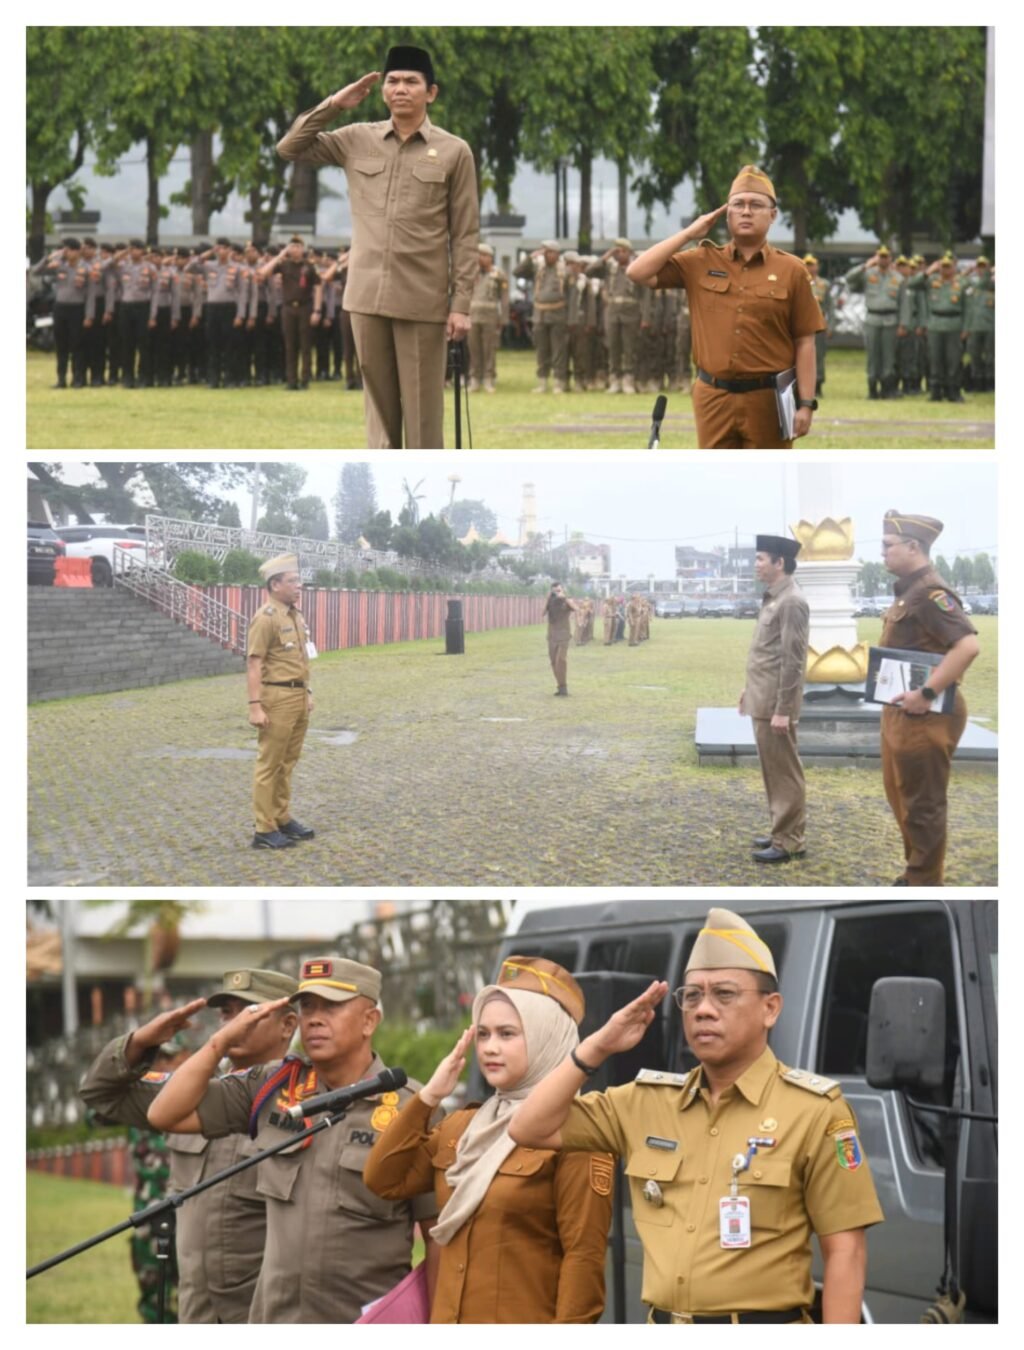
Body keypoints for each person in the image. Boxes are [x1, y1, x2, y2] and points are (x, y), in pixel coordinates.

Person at [509, 906, 884, 1325]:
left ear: (770, 1009)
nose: (703, 1009)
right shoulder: (645, 1103)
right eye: (692, 996)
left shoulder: (814, 1111)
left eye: (724, 994)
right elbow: (528, 1127)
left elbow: (846, 1252)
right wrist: (597, 1046)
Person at [146, 957, 438, 1323]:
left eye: (331, 1006)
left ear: (369, 1021)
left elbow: (438, 1237)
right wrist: (221, 1041)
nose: (314, 1018)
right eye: (308, 1006)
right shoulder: (272, 1087)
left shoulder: (413, 1109)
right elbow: (164, 1114)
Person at [363, 956, 613, 1323]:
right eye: (483, 1033)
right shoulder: (463, 1127)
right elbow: (383, 1178)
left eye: (507, 1033)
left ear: (547, 1037)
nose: (489, 1047)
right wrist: (428, 1097)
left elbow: (584, 1261)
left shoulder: (577, 1131)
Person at [277, 45, 479, 448]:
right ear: (383, 89)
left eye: (411, 81)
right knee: (380, 425)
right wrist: (335, 104)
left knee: (423, 421)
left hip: (422, 299)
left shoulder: (454, 151)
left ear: (431, 92)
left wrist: (460, 305)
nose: (400, 89)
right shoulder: (356, 139)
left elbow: (465, 233)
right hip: (366, 297)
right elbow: (290, 147)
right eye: (393, 81)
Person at [80, 968, 299, 1323]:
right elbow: (98, 1094)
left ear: (288, 1025)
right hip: (196, 1309)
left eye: (250, 1011)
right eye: (227, 1012)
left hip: (263, 1311)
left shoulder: (307, 1098)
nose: (234, 1022)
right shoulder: (186, 1092)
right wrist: (140, 1044)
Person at [626, 167, 823, 447]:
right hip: (713, 397)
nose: (746, 211)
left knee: (765, 481)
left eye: (756, 205)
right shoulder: (701, 260)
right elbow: (637, 272)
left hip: (767, 399)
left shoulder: (791, 270)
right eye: (738, 204)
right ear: (726, 213)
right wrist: (689, 233)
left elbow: (804, 340)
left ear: (773, 215)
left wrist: (805, 403)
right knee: (716, 481)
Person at [879, 510, 979, 885]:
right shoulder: (908, 592)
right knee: (902, 798)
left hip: (926, 715)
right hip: (901, 711)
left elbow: (967, 646)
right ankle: (915, 869)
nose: (883, 553)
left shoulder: (930, 593)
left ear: (913, 547)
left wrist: (927, 692)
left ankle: (925, 880)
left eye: (889, 546)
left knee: (923, 805)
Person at [739, 534, 809, 864]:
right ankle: (780, 830)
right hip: (763, 696)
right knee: (773, 769)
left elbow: (792, 660)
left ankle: (790, 840)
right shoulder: (773, 599)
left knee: (784, 771)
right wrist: (748, 690)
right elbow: (766, 654)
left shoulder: (791, 601)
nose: (756, 564)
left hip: (775, 704)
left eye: (761, 559)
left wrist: (783, 708)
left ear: (779, 563)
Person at [246, 553, 314, 850]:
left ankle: (282, 818)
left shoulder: (294, 615)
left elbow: (300, 658)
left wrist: (306, 692)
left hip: (298, 696)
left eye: (298, 580)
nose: (299, 586)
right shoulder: (266, 618)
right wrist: (255, 706)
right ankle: (264, 828)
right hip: (276, 697)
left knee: (287, 763)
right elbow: (254, 663)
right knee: (269, 764)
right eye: (293, 581)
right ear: (275, 584)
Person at [844, 247, 908, 400]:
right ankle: (872, 388)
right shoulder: (868, 274)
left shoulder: (898, 278)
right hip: (873, 319)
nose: (884, 259)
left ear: (891, 258)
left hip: (891, 320)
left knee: (889, 356)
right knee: (873, 355)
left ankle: (887, 389)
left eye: (886, 256)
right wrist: (866, 265)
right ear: (876, 257)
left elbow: (904, 303)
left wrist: (903, 324)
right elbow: (849, 279)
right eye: (881, 256)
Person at [258, 237, 322, 391]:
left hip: (305, 307)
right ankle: (291, 380)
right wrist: (280, 255)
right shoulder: (283, 265)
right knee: (289, 345)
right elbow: (263, 273)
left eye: (298, 246)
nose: (295, 249)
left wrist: (317, 310)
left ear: (303, 248)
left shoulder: (309, 266)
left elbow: (318, 287)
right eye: (292, 246)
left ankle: (305, 379)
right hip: (288, 308)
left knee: (305, 345)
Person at [907, 253, 967, 403]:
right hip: (935, 323)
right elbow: (911, 284)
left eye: (948, 266)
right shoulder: (931, 280)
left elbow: (969, 308)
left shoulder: (962, 283)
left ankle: (953, 391)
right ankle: (935, 391)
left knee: (953, 360)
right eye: (943, 266)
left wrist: (966, 328)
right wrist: (927, 272)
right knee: (935, 359)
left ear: (954, 267)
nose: (945, 270)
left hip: (954, 323)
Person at [587, 239, 642, 393]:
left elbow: (645, 294)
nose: (619, 254)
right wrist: (606, 256)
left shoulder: (636, 267)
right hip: (612, 312)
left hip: (631, 312)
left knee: (629, 349)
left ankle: (628, 380)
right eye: (616, 251)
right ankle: (614, 380)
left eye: (622, 251)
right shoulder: (609, 267)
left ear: (629, 252)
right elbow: (589, 272)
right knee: (613, 347)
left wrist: (645, 317)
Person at [515, 242, 570, 394]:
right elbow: (517, 272)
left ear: (558, 254)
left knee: (558, 350)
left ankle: (559, 382)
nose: (548, 255)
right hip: (540, 314)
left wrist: (571, 318)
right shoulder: (537, 268)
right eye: (546, 252)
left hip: (558, 313)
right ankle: (542, 382)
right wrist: (531, 257)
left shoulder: (564, 270)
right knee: (541, 350)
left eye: (552, 252)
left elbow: (571, 296)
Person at [42, 238, 89, 389]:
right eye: (64, 250)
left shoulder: (86, 268)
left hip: (77, 308)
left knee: (77, 346)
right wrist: (51, 256)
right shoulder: (59, 266)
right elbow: (37, 271)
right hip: (60, 308)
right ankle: (61, 379)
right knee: (61, 346)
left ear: (77, 251)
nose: (66, 253)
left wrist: (89, 315)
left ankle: (77, 379)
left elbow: (91, 294)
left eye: (69, 250)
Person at [467, 243, 508, 392]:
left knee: (489, 348)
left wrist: (503, 318)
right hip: (473, 315)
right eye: (478, 255)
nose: (480, 258)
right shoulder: (471, 273)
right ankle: (475, 378)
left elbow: (504, 298)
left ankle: (489, 378)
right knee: (474, 348)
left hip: (490, 316)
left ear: (490, 258)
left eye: (484, 255)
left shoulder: (498, 274)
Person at [963, 257, 995, 393]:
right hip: (974, 326)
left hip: (990, 327)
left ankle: (990, 383)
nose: (981, 270)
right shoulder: (971, 284)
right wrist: (967, 271)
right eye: (979, 267)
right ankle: (976, 383)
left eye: (984, 267)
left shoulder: (993, 285)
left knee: (991, 356)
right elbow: (959, 282)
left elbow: (987, 282)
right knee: (974, 355)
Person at [803, 255, 833, 397]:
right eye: (807, 264)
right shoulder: (799, 281)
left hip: (819, 325)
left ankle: (819, 384)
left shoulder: (824, 284)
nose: (809, 267)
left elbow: (830, 306)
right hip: (803, 325)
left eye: (812, 264)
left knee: (819, 355)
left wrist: (830, 325)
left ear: (817, 266)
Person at [542, 582, 578, 696]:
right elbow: (542, 613)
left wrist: (564, 598)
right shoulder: (550, 602)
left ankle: (563, 686)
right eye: (554, 591)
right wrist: (547, 600)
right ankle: (561, 687)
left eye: (559, 590)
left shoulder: (567, 601)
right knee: (553, 662)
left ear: (563, 590)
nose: (556, 593)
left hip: (563, 636)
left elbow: (576, 608)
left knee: (560, 661)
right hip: (552, 636)